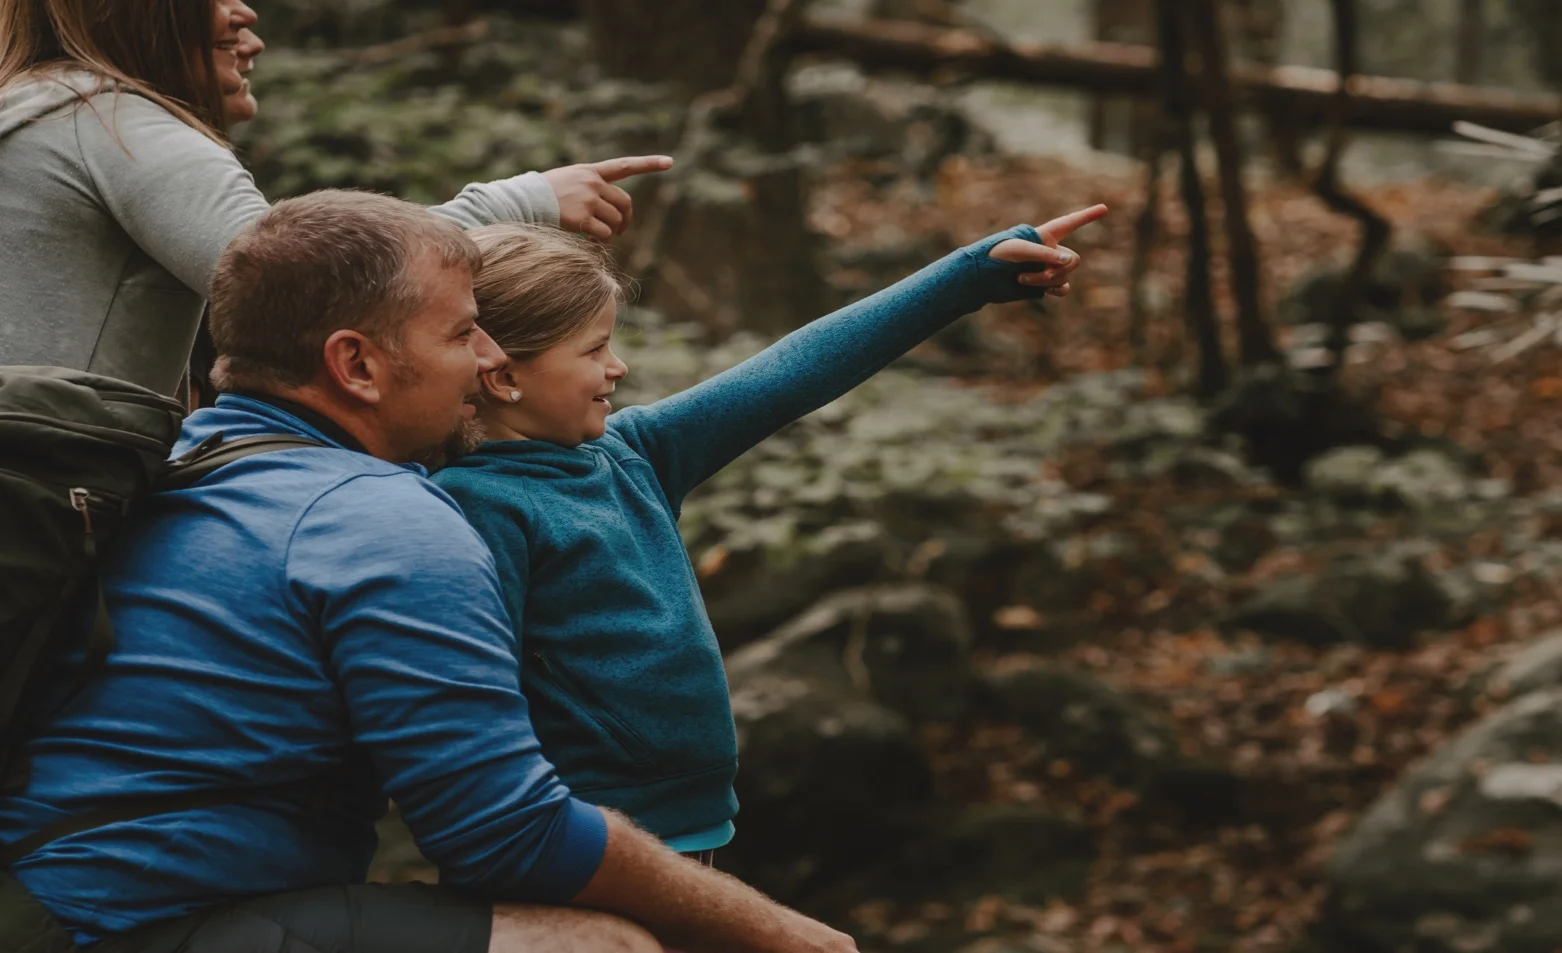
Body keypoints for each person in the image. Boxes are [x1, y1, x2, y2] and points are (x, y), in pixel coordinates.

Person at [0, 189, 860, 953]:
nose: (487, 358)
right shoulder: (382, 520)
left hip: (52, 880)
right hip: (119, 921)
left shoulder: (196, 457)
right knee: (596, 942)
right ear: (358, 365)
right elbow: (508, 833)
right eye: (459, 331)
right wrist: (781, 930)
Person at [429, 207, 1107, 858]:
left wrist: (968, 276)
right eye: (595, 348)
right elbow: (471, 705)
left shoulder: (634, 454)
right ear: (504, 374)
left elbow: (792, 371)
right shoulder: (476, 506)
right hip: (586, 842)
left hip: (694, 827)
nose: (618, 367)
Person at [0, 0, 670, 396]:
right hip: (49, 503)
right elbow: (290, 285)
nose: (247, 16)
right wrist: (524, 201)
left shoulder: (35, 115)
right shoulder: (109, 120)